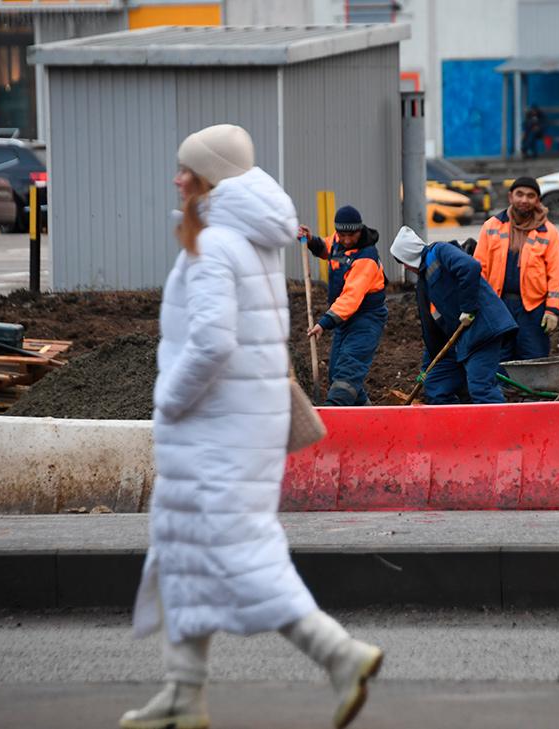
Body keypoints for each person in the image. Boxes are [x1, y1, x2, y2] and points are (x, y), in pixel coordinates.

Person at [123, 124, 383, 729]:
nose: (177, 179)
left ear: (210, 176)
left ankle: (340, 655)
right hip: (237, 425)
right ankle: (184, 693)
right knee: (184, 549)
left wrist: (167, 397)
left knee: (241, 554)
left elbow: (211, 343)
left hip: (216, 430)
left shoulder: (216, 245)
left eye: (186, 169)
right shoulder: (250, 240)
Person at [390, 226, 517, 404]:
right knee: (435, 385)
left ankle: (499, 429)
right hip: (461, 342)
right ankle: (458, 428)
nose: (404, 266)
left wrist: (468, 308)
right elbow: (432, 332)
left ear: (408, 256)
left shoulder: (440, 251)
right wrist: (426, 369)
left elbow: (470, 267)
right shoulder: (423, 284)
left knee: (481, 387)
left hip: (484, 331)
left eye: (402, 261)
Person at [298, 205, 388, 406]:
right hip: (344, 320)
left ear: (360, 230)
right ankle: (368, 416)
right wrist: (311, 240)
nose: (346, 240)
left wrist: (324, 322)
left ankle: (333, 416)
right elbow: (326, 248)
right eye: (342, 234)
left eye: (351, 235)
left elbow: (351, 297)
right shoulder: (338, 242)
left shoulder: (367, 257)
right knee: (336, 374)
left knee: (347, 374)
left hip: (366, 319)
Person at [474, 176, 559, 362]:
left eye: (530, 196)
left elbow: (556, 274)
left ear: (537, 200)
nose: (524, 200)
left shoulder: (548, 232)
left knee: (533, 359)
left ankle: (529, 392)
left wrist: (553, 310)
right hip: (498, 305)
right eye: (520, 194)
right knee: (498, 359)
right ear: (510, 197)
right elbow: (479, 269)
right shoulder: (492, 226)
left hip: (533, 308)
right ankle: (501, 392)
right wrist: (478, 304)